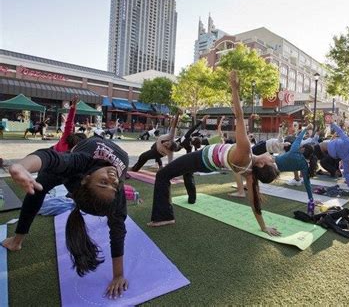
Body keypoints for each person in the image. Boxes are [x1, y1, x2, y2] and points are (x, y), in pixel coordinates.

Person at [148, 70, 281, 236]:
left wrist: (234, 88)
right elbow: (255, 204)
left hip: (200, 158)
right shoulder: (250, 175)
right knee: (186, 171)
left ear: (262, 163)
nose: (272, 157)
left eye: (272, 161)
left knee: (163, 175)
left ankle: (163, 217)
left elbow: (239, 117)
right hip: (206, 164)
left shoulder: (246, 151)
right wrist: (263, 227)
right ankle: (190, 198)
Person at [2, 137, 129, 299]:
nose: (112, 178)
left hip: (80, 162)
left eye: (105, 182)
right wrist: (21, 166)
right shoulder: (114, 193)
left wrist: (118, 275)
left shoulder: (81, 163)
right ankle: (17, 240)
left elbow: (50, 157)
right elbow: (47, 157)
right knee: (41, 186)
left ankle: (16, 241)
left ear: (87, 178)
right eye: (111, 184)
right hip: (92, 152)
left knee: (38, 186)